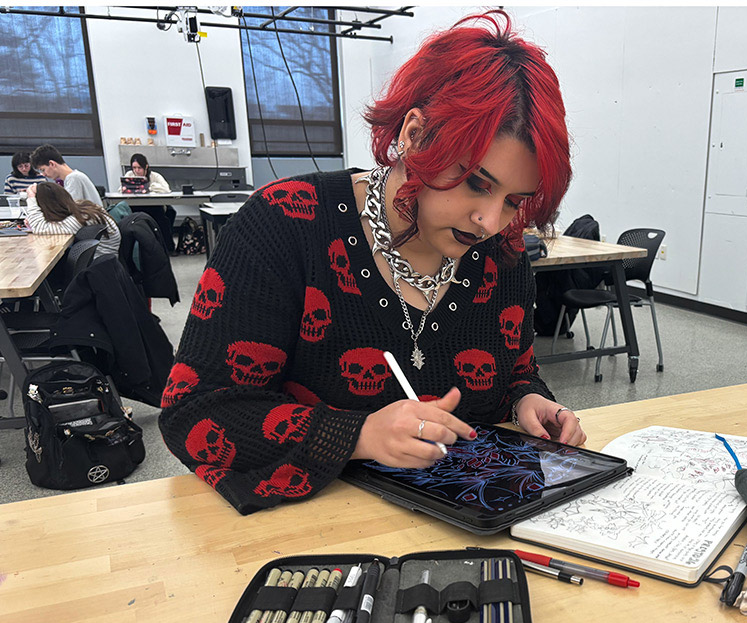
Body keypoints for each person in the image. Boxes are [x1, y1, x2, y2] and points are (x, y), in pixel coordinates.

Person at [159, 10, 582, 514]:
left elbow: (514, 371)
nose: (489, 221)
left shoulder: (503, 259)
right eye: (477, 183)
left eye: (515, 200)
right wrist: (358, 433)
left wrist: (526, 399)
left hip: (471, 521)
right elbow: (196, 411)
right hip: (314, 538)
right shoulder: (285, 225)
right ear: (415, 134)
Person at [26, 182, 121, 254]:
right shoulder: (81, 207)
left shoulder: (79, 219)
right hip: (104, 259)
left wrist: (31, 198)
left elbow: (39, 227)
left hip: (98, 265)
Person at [120, 152, 176, 243]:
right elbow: (121, 189)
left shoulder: (154, 176)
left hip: (154, 206)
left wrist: (148, 186)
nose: (136, 171)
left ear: (146, 167)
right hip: (136, 206)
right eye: (134, 168)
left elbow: (166, 189)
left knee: (162, 219)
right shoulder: (129, 175)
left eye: (139, 168)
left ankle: (168, 247)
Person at [30, 144, 103, 207]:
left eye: (43, 170)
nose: (43, 174)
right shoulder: (69, 179)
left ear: (52, 164)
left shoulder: (73, 178)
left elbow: (70, 210)